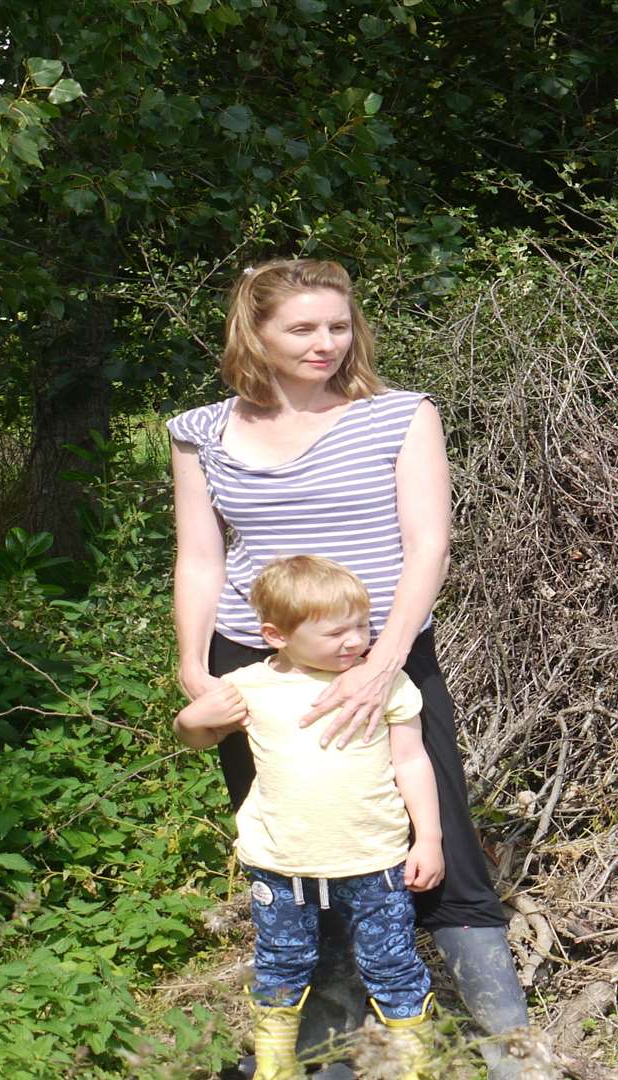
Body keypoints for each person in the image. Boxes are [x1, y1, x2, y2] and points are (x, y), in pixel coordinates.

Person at [168, 259, 529, 1078]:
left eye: (338, 325)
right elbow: (199, 556)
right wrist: (195, 668)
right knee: (302, 852)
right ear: (254, 332)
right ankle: (332, 1053)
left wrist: (384, 661)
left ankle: (516, 1055)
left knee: (446, 855)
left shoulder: (401, 415)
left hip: (381, 655)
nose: (326, 342)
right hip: (255, 664)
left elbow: (427, 544)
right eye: (302, 327)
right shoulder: (200, 431)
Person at [176, 555, 440, 1080]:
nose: (355, 641)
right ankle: (277, 1067)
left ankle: (418, 1067)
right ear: (277, 635)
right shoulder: (249, 685)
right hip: (280, 865)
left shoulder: (383, 683)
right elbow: (197, 735)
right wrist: (190, 719)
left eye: (363, 626)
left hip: (375, 861)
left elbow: (412, 759)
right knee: (281, 964)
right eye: (336, 631)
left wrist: (428, 838)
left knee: (392, 965)